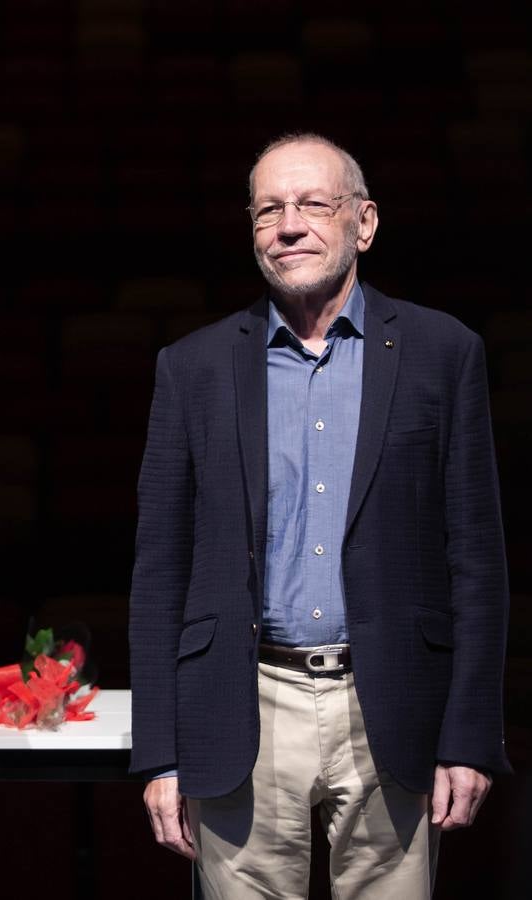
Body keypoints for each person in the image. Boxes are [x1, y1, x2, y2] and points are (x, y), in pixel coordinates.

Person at [130, 133, 510, 898]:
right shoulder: (193, 367)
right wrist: (160, 754)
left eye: (313, 204)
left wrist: (470, 736)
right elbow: (159, 572)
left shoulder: (444, 352)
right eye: (269, 209)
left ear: (363, 224)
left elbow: (477, 559)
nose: (289, 225)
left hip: (393, 710)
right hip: (243, 706)